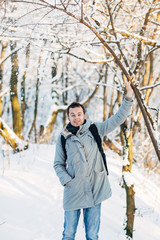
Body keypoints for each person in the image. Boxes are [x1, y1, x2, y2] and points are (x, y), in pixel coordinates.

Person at [54, 82, 133, 240]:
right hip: (73, 191)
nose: (76, 118)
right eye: (72, 115)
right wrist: (68, 181)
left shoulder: (95, 129)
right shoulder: (63, 137)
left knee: (92, 235)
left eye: (79, 114)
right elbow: (58, 164)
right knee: (68, 234)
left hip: (95, 189)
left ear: (84, 115)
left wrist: (128, 96)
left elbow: (118, 118)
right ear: (68, 117)